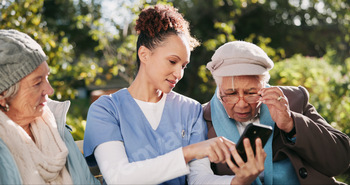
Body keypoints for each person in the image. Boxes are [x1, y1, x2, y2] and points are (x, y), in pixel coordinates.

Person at [83, 4, 266, 185]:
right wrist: (189, 152)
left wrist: (237, 181)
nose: (179, 74)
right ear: (144, 54)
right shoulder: (106, 109)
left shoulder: (190, 109)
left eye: (184, 66)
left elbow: (198, 179)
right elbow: (119, 178)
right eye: (172, 61)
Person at [200, 41, 350, 184]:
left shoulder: (293, 100)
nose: (242, 104)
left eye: (251, 92)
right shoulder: (200, 118)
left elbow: (341, 161)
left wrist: (291, 124)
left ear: (264, 85)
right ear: (219, 90)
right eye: (231, 94)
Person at [0, 29, 100, 184]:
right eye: (37, 82)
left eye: (47, 78)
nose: (50, 90)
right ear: (3, 95)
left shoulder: (57, 129)